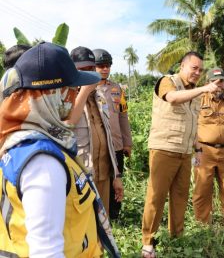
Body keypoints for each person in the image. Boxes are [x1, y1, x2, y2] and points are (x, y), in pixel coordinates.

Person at [0, 42, 104, 257]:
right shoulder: (42, 162)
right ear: (54, 93)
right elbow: (46, 252)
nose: (74, 97)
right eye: (72, 89)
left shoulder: (20, 140)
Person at [141, 51, 220, 258]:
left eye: (200, 70)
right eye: (194, 68)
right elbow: (173, 99)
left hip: (185, 153)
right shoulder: (168, 82)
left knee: (180, 197)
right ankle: (148, 241)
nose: (197, 72)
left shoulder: (193, 91)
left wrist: (198, 150)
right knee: (156, 197)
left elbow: (191, 124)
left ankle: (177, 236)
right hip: (164, 149)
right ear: (182, 66)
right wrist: (204, 88)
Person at [69, 46, 124, 216]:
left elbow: (108, 137)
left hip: (103, 173)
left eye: (91, 69)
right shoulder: (66, 98)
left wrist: (116, 175)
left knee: (103, 221)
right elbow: (66, 125)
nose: (89, 73)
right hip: (81, 175)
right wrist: (83, 91)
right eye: (82, 70)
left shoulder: (100, 97)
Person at [192, 67, 224, 225]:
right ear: (208, 83)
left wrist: (221, 135)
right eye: (215, 81)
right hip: (204, 151)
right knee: (202, 189)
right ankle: (203, 224)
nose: (219, 85)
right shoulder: (199, 99)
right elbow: (191, 123)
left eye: (222, 82)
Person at [93, 48, 132, 220]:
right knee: (99, 180)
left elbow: (123, 116)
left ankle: (114, 216)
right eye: (100, 65)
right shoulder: (85, 89)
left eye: (107, 65)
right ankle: (97, 215)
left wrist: (127, 142)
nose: (105, 69)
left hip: (116, 144)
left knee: (116, 179)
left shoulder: (116, 89)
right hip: (98, 146)